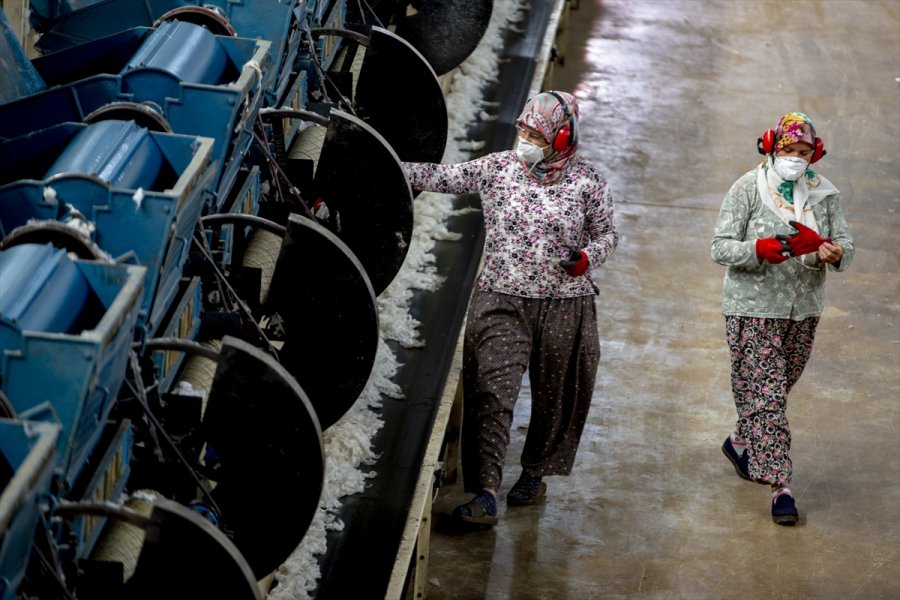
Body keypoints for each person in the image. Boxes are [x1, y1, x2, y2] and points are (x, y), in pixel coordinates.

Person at [402, 91, 618, 526]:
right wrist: (385, 165)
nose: (525, 139)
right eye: (522, 129)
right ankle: (484, 493)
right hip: (501, 300)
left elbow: (607, 235)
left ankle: (535, 472)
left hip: (564, 305)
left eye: (535, 133)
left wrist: (587, 259)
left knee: (554, 396)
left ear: (561, 138)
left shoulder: (588, 182)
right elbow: (440, 177)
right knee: (493, 392)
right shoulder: (497, 169)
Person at [711, 112, 854, 525]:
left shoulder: (824, 194)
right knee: (768, 397)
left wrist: (836, 252)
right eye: (787, 150)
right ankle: (781, 485)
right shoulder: (747, 189)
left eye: (803, 151)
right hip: (752, 309)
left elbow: (845, 241)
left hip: (803, 310)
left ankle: (739, 440)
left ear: (816, 153)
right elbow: (720, 247)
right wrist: (758, 249)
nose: (794, 157)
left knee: (775, 387)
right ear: (772, 147)